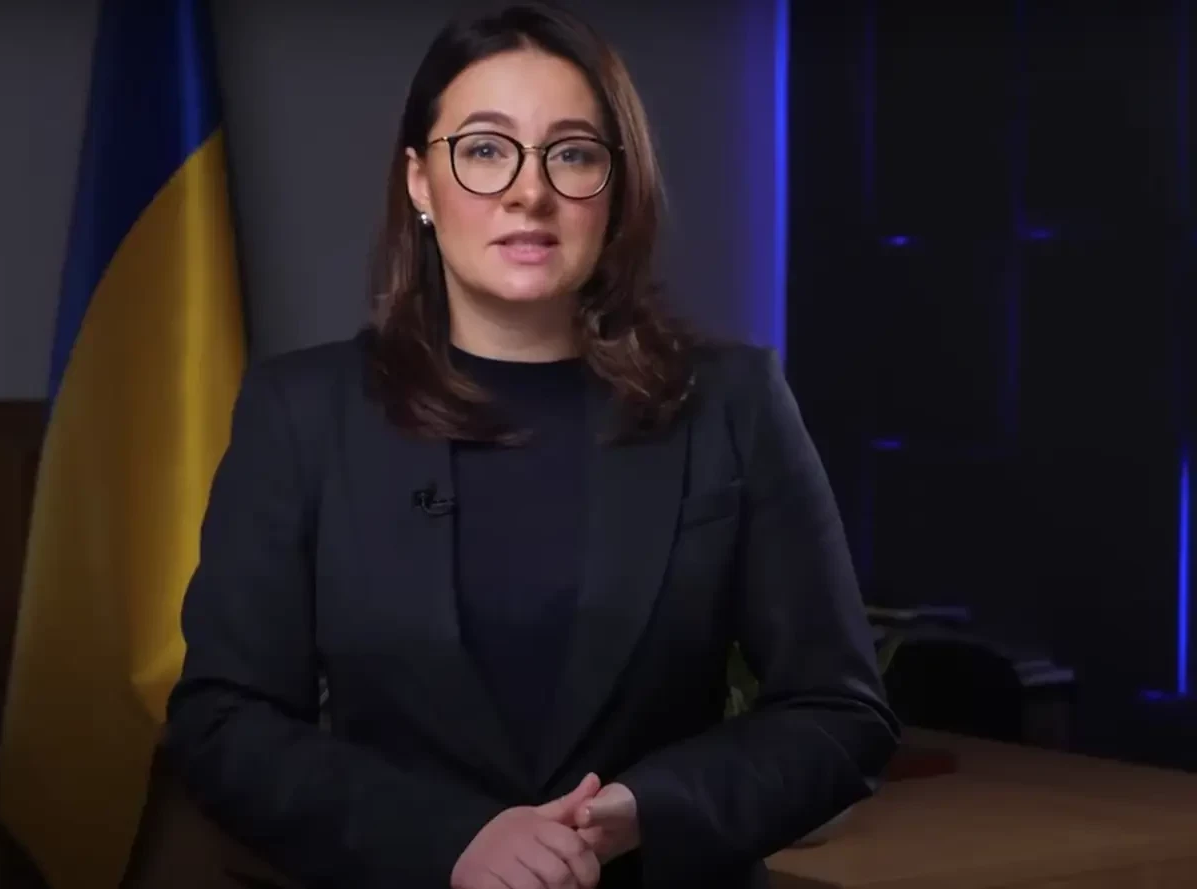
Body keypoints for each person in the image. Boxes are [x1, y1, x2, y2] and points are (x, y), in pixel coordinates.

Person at [162, 4, 900, 888]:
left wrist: (640, 812)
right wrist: (451, 840)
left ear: (616, 187)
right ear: (420, 183)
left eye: (572, 153)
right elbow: (223, 723)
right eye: (485, 149)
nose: (529, 191)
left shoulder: (733, 404)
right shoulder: (302, 413)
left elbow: (840, 713)